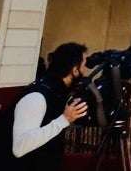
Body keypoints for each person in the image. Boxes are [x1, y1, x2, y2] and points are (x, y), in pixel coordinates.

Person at [9, 42, 89, 170]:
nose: (86, 70)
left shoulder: (57, 93)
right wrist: (64, 120)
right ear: (75, 70)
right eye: (84, 65)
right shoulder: (37, 97)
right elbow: (19, 147)